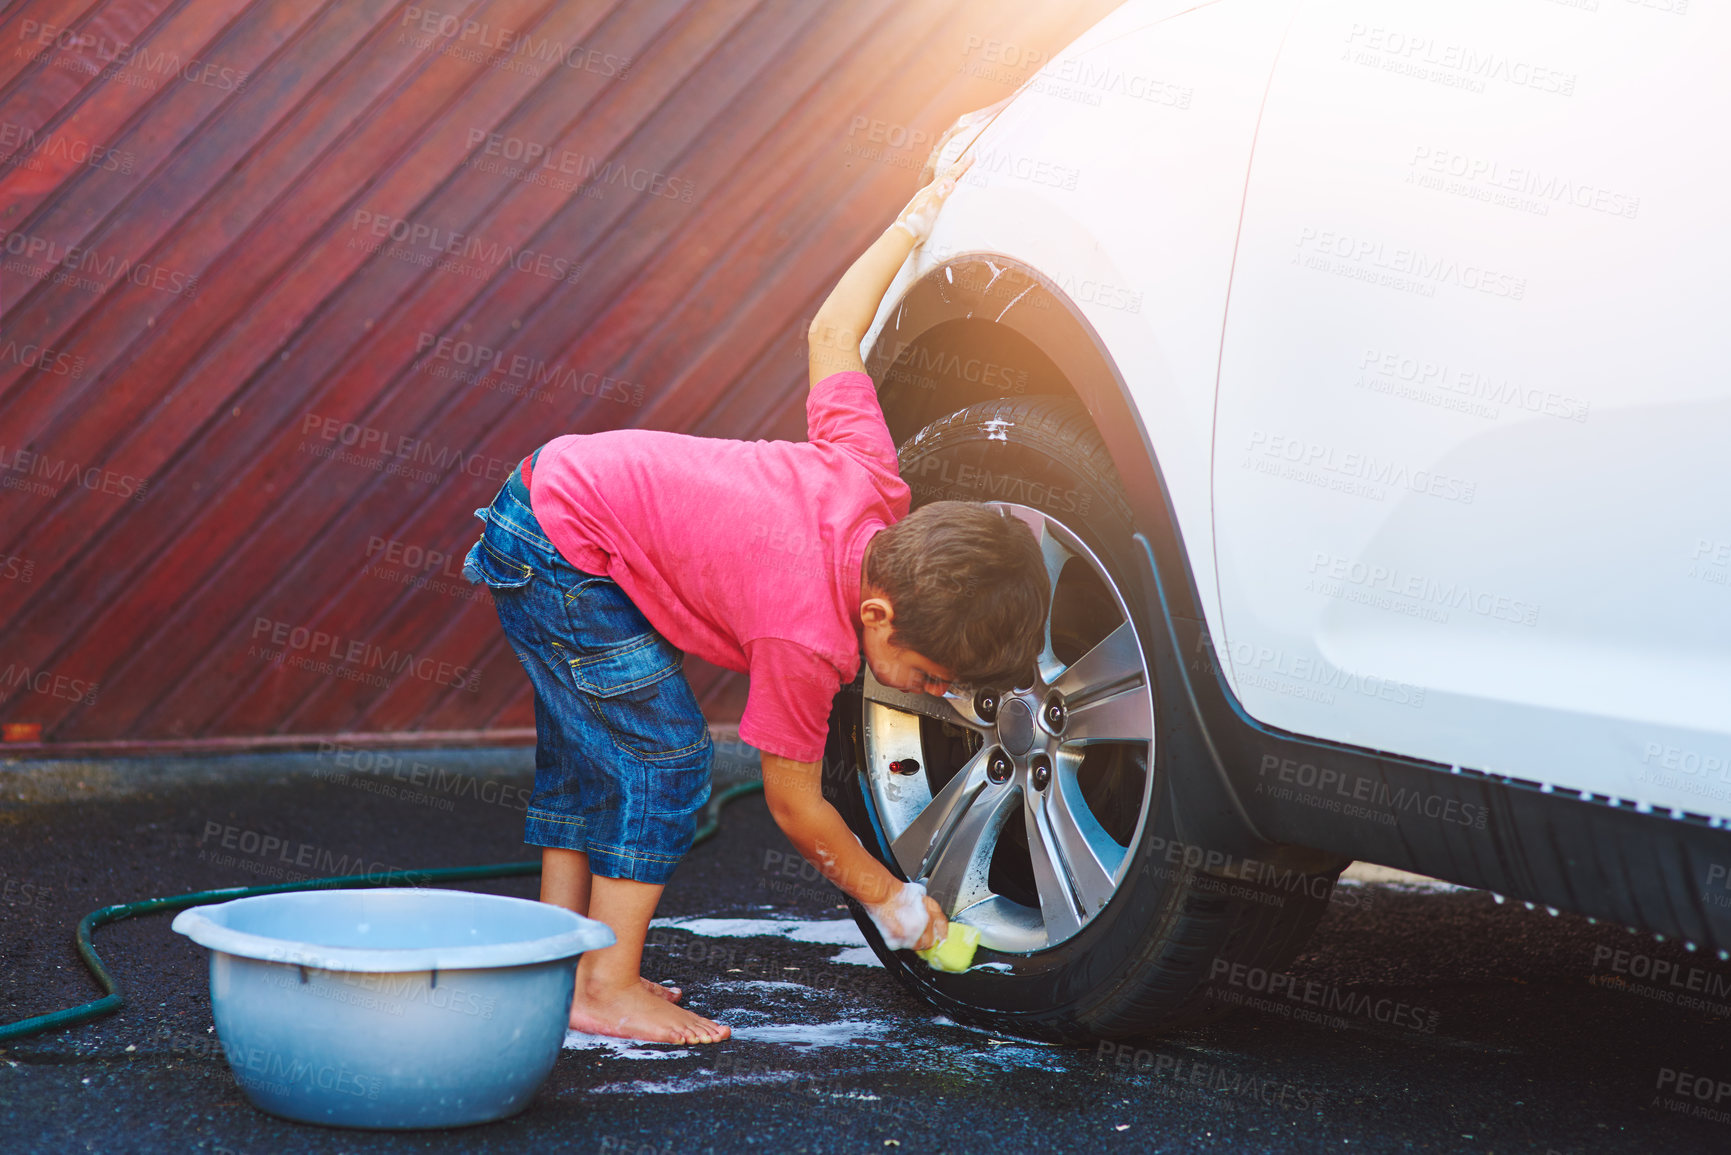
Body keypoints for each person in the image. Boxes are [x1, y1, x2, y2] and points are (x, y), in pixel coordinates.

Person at [463, 156, 1048, 1043]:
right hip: (563, 548)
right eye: (927, 676)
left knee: (591, 756)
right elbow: (793, 803)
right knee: (663, 765)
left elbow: (831, 334)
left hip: (557, 496)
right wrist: (891, 901)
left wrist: (914, 215)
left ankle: (570, 963)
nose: (928, 693)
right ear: (878, 616)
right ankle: (603, 985)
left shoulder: (873, 482)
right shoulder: (808, 635)